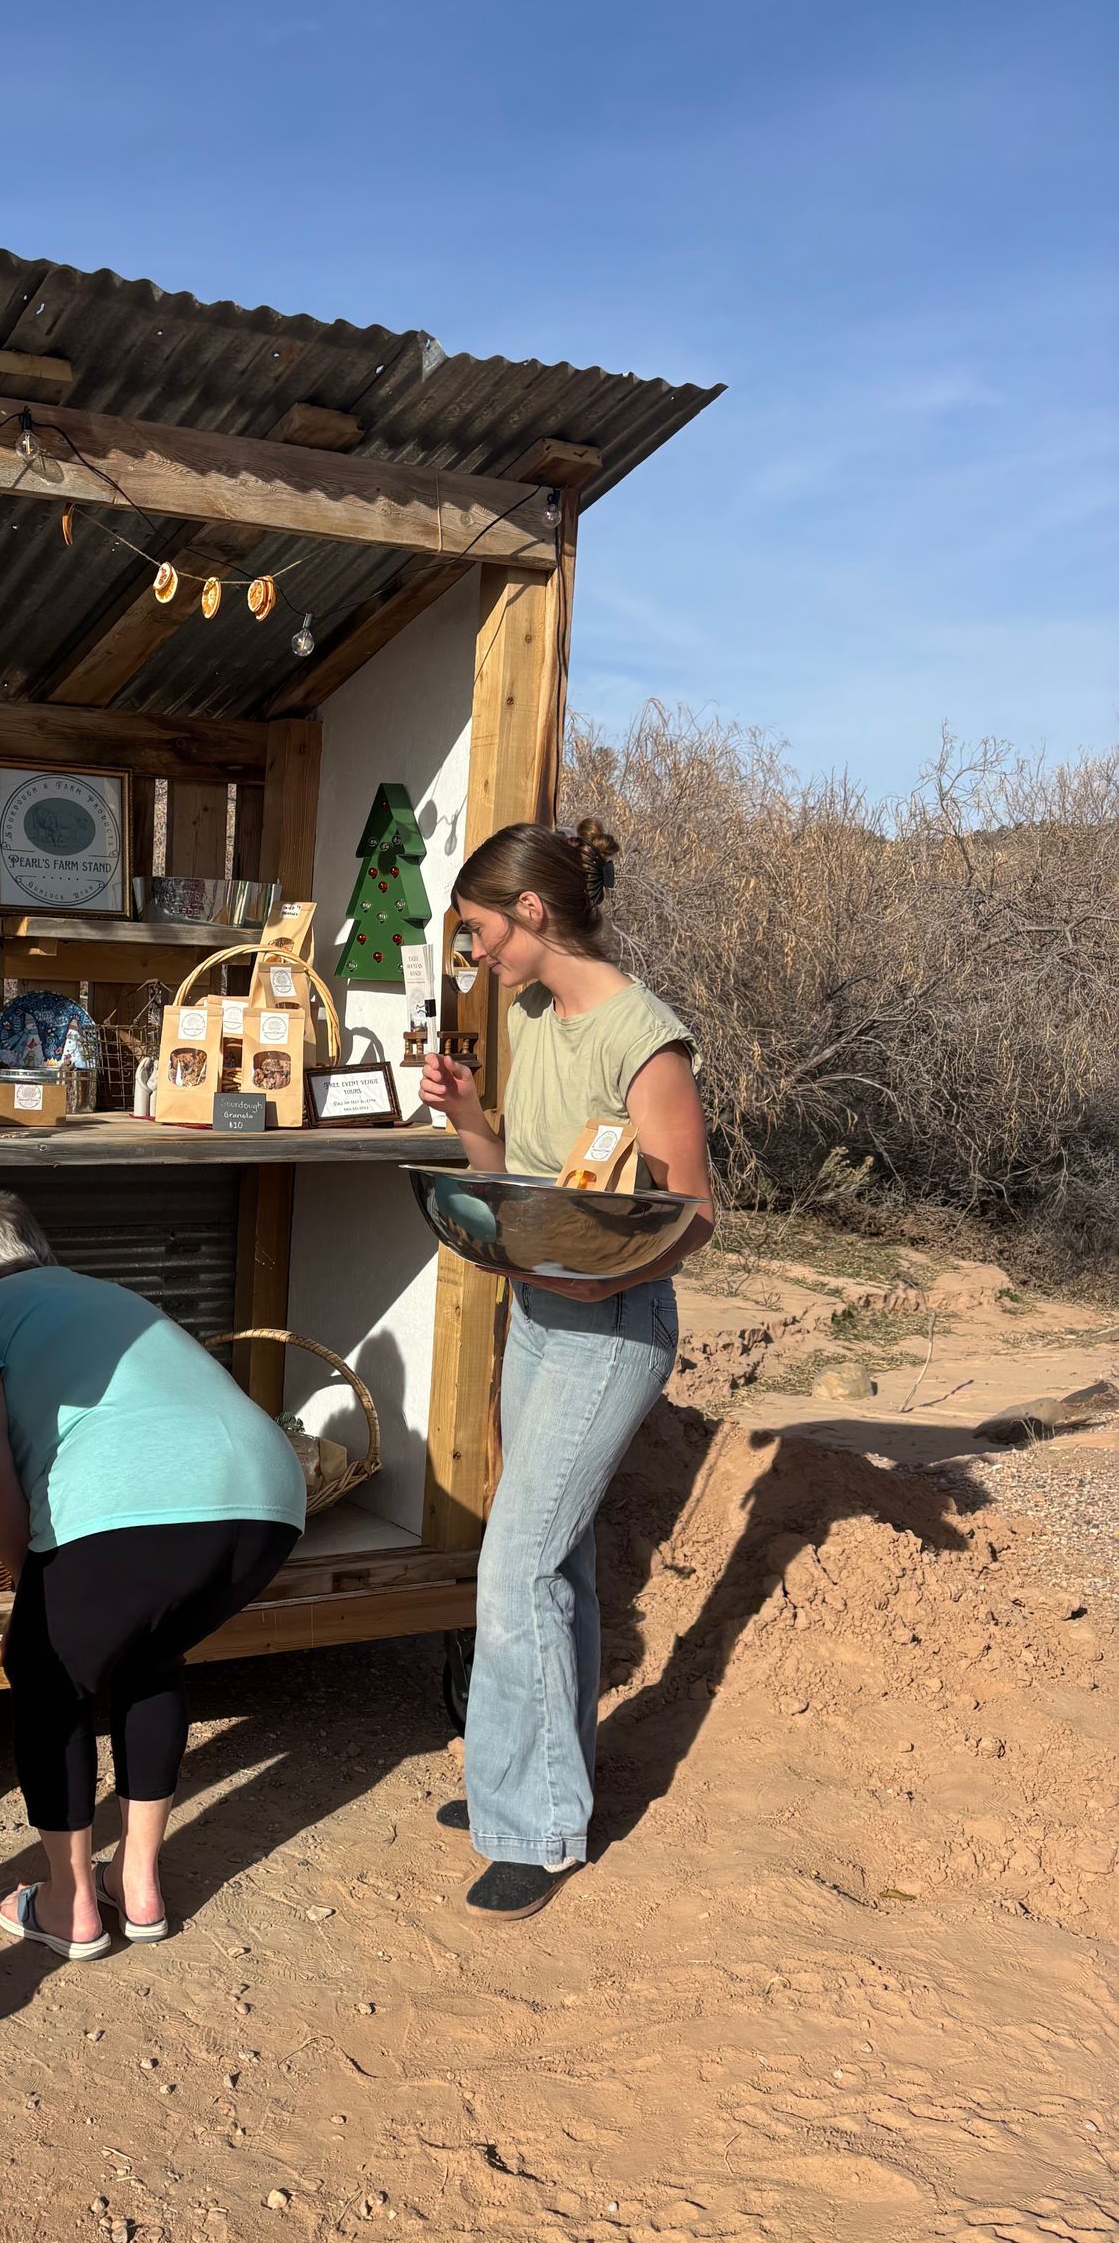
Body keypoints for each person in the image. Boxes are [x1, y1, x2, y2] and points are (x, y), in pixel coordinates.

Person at [421, 817, 713, 1922]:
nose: (477, 953)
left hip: (613, 1321)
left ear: (533, 913)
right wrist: (468, 1122)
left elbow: (697, 1212)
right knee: (555, 1559)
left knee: (517, 1565)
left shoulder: (644, 1039)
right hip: (543, 1309)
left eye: (482, 931)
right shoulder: (532, 1012)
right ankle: (526, 1780)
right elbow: (520, 1181)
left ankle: (539, 1830)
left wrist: (599, 1286)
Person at [0, 1194, 307, 1957]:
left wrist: (26, 1576)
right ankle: (137, 1884)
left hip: (130, 1506)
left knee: (44, 1675)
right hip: (268, 1496)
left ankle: (70, 1905)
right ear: (38, 1244)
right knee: (149, 1652)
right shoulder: (107, 1293)